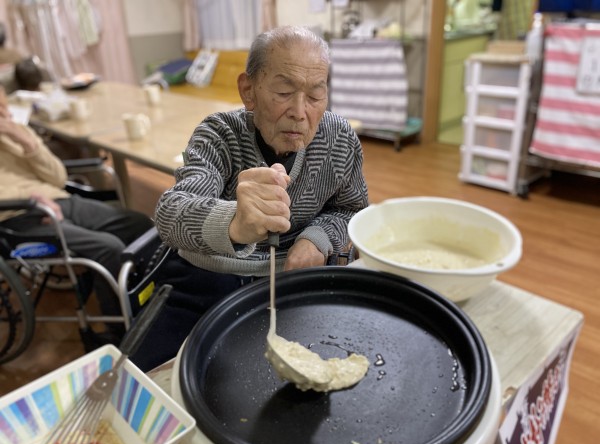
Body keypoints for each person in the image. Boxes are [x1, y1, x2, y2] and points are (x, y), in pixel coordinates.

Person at [132, 26, 369, 370]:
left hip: (294, 277)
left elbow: (352, 209)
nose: (299, 111)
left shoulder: (340, 139)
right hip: (209, 277)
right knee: (146, 376)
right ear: (249, 90)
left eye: (315, 95)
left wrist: (317, 239)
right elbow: (171, 214)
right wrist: (234, 222)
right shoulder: (220, 134)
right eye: (284, 92)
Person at [0, 85, 154, 345]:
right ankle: (122, 331)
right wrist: (29, 199)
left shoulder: (17, 132)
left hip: (58, 200)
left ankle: (150, 299)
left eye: (4, 108)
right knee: (108, 248)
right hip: (15, 219)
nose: (4, 117)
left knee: (140, 225)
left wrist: (27, 142)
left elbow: (58, 178)